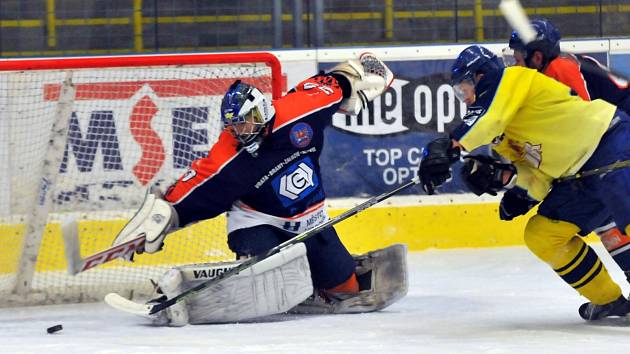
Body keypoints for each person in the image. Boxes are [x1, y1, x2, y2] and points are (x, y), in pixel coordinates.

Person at [109, 53, 408, 326]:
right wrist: (161, 218)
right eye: (235, 126)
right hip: (255, 220)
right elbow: (194, 188)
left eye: (248, 122)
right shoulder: (228, 156)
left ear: (263, 110)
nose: (243, 131)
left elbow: (337, 83)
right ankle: (264, 277)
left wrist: (362, 74)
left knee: (346, 289)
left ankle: (321, 283)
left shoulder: (299, 110)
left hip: (310, 218)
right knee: (265, 273)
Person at [418, 45, 630, 321]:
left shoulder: (512, 79)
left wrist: (449, 146)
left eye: (464, 89)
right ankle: (609, 300)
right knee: (543, 235)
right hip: (580, 179)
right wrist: (521, 194)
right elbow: (535, 169)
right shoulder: (503, 130)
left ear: (481, 75)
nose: (465, 99)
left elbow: (485, 117)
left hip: (612, 145)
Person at [507, 19, 630, 287]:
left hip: (622, 141)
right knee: (606, 214)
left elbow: (582, 125)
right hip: (618, 139)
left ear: (536, 56)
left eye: (518, 57)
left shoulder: (559, 69)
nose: (514, 65)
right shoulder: (559, 67)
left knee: (616, 203)